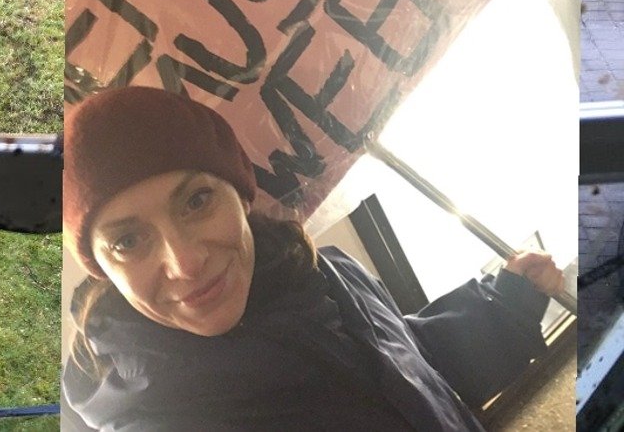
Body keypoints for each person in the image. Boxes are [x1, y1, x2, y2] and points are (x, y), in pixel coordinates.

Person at [61, 86, 564, 432]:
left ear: (240, 192)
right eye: (128, 241)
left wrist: (506, 303)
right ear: (101, 267)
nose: (186, 262)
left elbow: (413, 377)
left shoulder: (324, 273)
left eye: (197, 201)